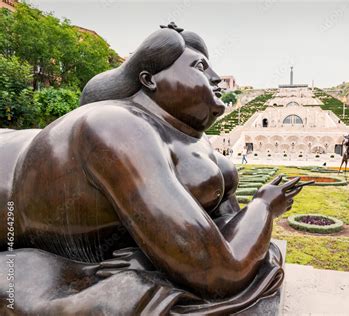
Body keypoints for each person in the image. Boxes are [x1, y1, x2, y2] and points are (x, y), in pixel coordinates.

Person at [0, 24, 298, 314]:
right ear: (149, 80)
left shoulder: (199, 146)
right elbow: (220, 271)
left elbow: (229, 229)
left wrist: (156, 256)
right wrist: (264, 207)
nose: (217, 78)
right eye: (200, 67)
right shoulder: (116, 127)